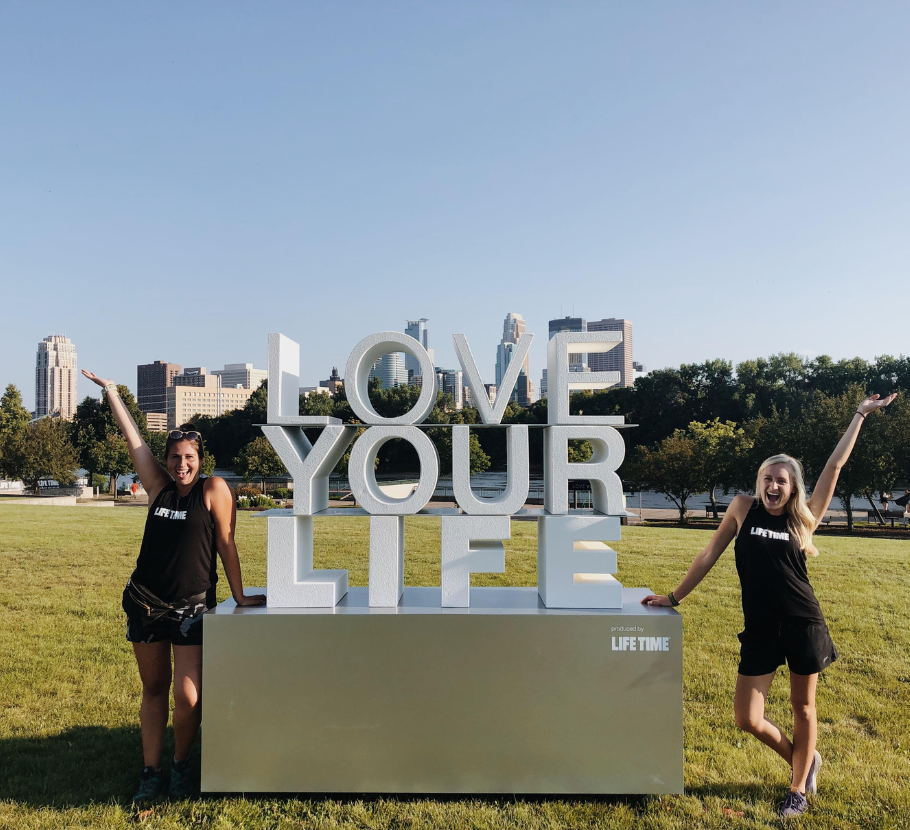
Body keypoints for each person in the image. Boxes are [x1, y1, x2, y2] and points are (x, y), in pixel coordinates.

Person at [641, 392, 896, 818]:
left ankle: (796, 791)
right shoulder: (743, 508)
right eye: (767, 479)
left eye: (781, 480)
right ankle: (806, 760)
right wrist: (673, 597)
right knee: (747, 718)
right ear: (759, 482)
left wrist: (860, 415)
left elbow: (834, 467)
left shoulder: (804, 518)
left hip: (802, 621)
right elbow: (708, 555)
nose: (773, 486)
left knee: (803, 708)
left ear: (792, 487)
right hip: (760, 626)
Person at [82, 371, 266, 803]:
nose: (181, 465)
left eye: (189, 457)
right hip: (145, 602)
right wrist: (112, 393)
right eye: (175, 457)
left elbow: (226, 543)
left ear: (201, 458)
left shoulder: (213, 490)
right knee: (153, 689)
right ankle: (152, 773)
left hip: (191, 608)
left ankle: (182, 764)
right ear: (165, 460)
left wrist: (239, 595)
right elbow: (134, 441)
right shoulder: (159, 489)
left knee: (188, 695)